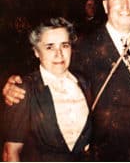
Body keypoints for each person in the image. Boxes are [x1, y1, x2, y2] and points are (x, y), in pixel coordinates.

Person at [2, 0, 130, 161]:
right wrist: (14, 84)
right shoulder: (82, 48)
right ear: (105, 5)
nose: (125, 6)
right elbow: (51, 71)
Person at [2, 17, 92, 161]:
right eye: (50, 47)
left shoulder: (84, 83)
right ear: (36, 52)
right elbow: (10, 153)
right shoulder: (24, 89)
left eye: (64, 45)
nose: (59, 54)